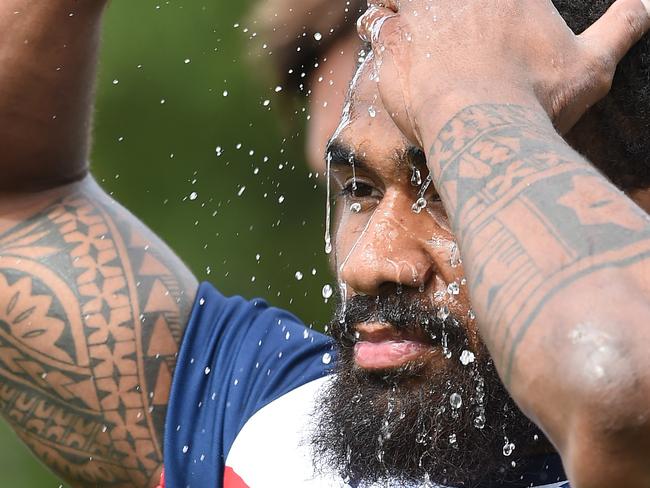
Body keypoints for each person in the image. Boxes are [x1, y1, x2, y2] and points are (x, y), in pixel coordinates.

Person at [1, 2, 650, 488]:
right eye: (361, 189)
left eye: (456, 190)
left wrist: (475, 98)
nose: (371, 262)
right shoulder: (269, 431)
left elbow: (617, 386)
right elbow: (17, 199)